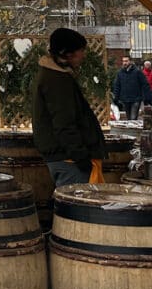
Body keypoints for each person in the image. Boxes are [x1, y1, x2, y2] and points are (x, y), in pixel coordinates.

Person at [32, 27, 107, 187]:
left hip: (64, 156)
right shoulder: (58, 80)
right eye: (81, 50)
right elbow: (63, 122)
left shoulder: (53, 75)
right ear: (68, 53)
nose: (83, 55)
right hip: (68, 159)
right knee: (75, 208)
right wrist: (80, 156)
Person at [112, 55, 152, 123]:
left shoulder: (137, 72)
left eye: (126, 61)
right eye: (123, 61)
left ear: (130, 61)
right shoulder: (120, 73)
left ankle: (133, 132)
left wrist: (147, 100)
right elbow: (117, 86)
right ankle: (132, 132)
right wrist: (115, 98)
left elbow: (145, 85)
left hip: (136, 99)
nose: (124, 63)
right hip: (125, 99)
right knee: (129, 118)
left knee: (133, 118)